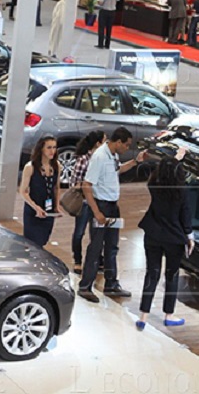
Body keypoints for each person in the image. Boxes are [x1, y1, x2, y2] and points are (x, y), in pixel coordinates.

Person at [77, 127, 146, 303]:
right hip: (101, 207)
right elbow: (87, 185)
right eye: (127, 145)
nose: (127, 148)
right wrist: (97, 212)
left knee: (112, 247)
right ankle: (85, 286)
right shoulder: (100, 157)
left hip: (113, 207)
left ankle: (111, 284)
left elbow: (117, 170)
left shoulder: (112, 154)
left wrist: (135, 162)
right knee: (96, 247)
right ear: (118, 142)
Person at [135, 150, 192, 331]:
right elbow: (186, 216)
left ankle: (143, 316)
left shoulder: (154, 185)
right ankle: (169, 315)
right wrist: (190, 237)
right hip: (173, 238)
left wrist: (174, 158)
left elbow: (160, 170)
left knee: (152, 274)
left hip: (152, 233)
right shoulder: (181, 191)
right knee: (171, 275)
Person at [70, 130, 106, 274]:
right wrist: (87, 185)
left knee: (96, 233)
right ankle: (77, 260)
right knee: (79, 232)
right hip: (85, 202)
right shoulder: (84, 160)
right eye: (104, 141)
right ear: (98, 144)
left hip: (99, 201)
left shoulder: (104, 159)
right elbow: (74, 183)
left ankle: (97, 259)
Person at [19, 136, 61, 248]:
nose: (52, 151)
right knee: (32, 242)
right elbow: (23, 191)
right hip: (33, 209)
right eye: (49, 148)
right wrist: (35, 207)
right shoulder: (30, 167)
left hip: (48, 208)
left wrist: (56, 205)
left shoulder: (56, 166)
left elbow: (56, 187)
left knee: (43, 240)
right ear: (41, 149)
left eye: (54, 147)